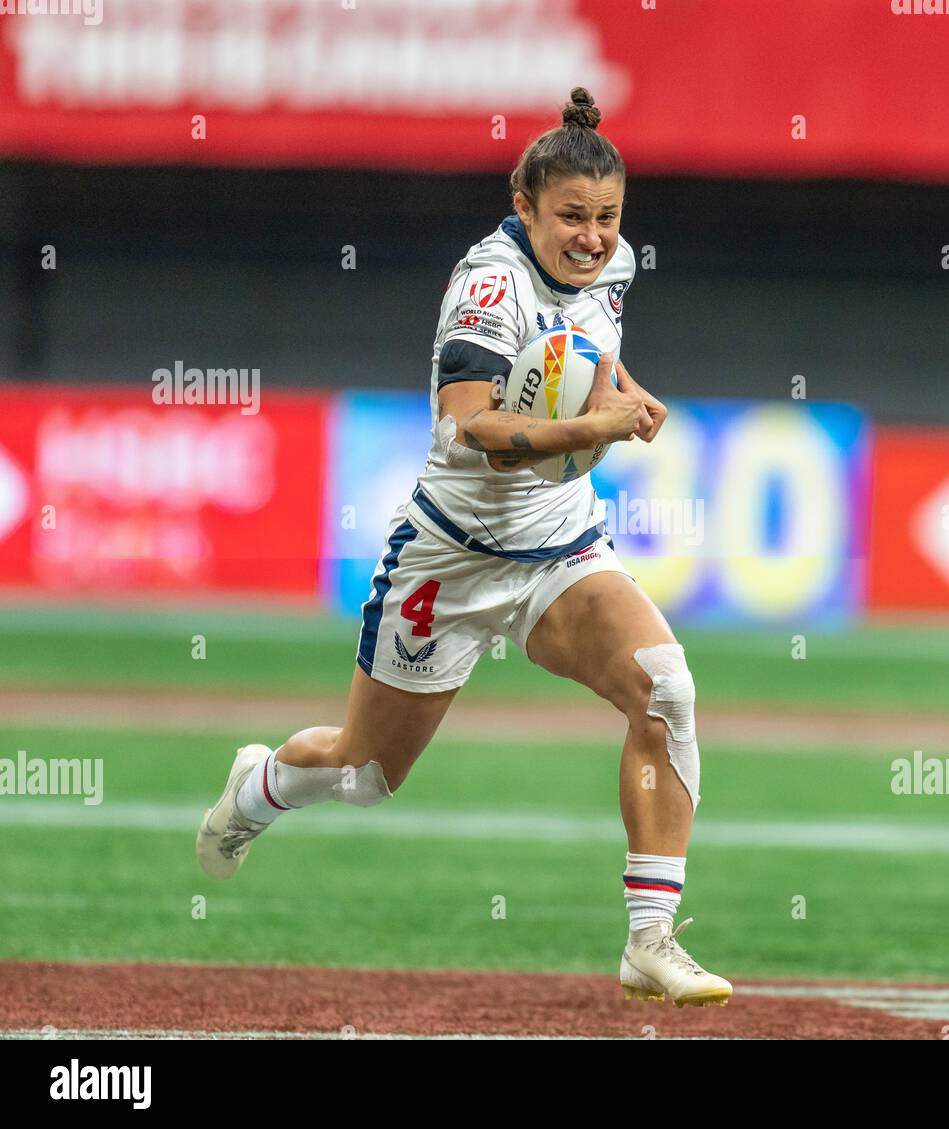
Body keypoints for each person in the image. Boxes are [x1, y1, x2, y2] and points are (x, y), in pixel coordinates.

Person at [195, 87, 732, 1009]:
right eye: (572, 215)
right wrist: (597, 427)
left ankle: (651, 939)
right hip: (450, 555)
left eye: (607, 216)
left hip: (559, 544)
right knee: (365, 774)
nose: (593, 236)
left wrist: (629, 396)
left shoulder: (613, 267)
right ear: (523, 206)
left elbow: (589, 356)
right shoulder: (488, 287)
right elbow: (476, 426)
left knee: (667, 688)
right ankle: (259, 788)